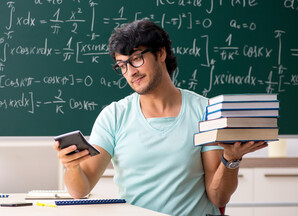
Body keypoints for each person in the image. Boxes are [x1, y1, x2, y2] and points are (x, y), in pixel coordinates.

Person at [54, 19, 268, 216]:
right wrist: (72, 166)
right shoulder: (114, 116)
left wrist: (231, 159)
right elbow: (80, 190)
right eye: (122, 65)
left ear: (161, 53)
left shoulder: (205, 111)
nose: (130, 72)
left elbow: (218, 197)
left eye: (136, 59)